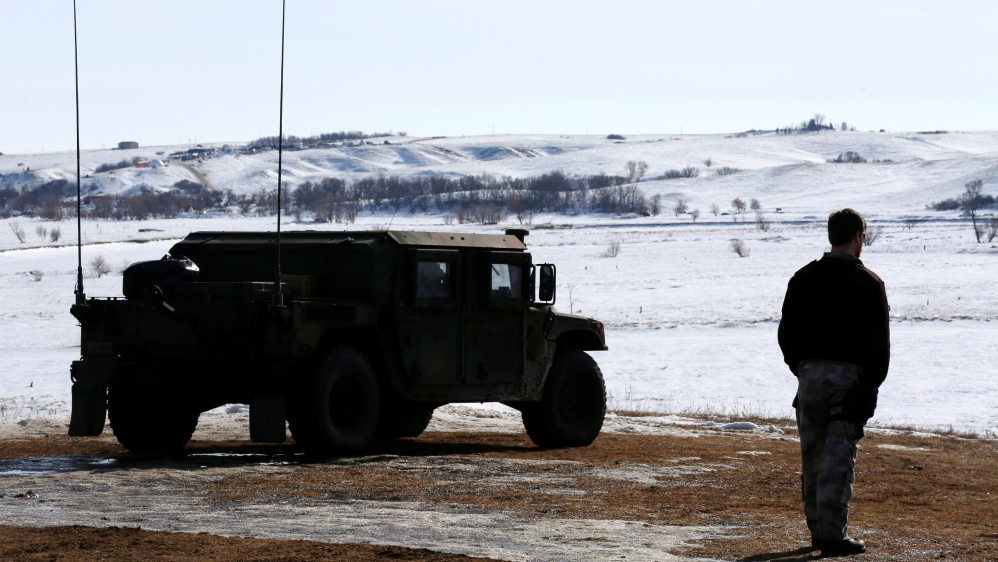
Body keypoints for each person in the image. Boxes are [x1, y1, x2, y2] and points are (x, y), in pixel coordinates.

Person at [778, 208, 890, 556]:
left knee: (811, 456)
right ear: (857, 236)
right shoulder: (870, 283)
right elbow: (879, 345)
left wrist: (803, 368)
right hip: (849, 379)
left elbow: (786, 334)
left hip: (809, 377)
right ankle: (832, 536)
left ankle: (817, 531)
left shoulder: (802, 278)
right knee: (838, 459)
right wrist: (870, 385)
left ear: (831, 236)